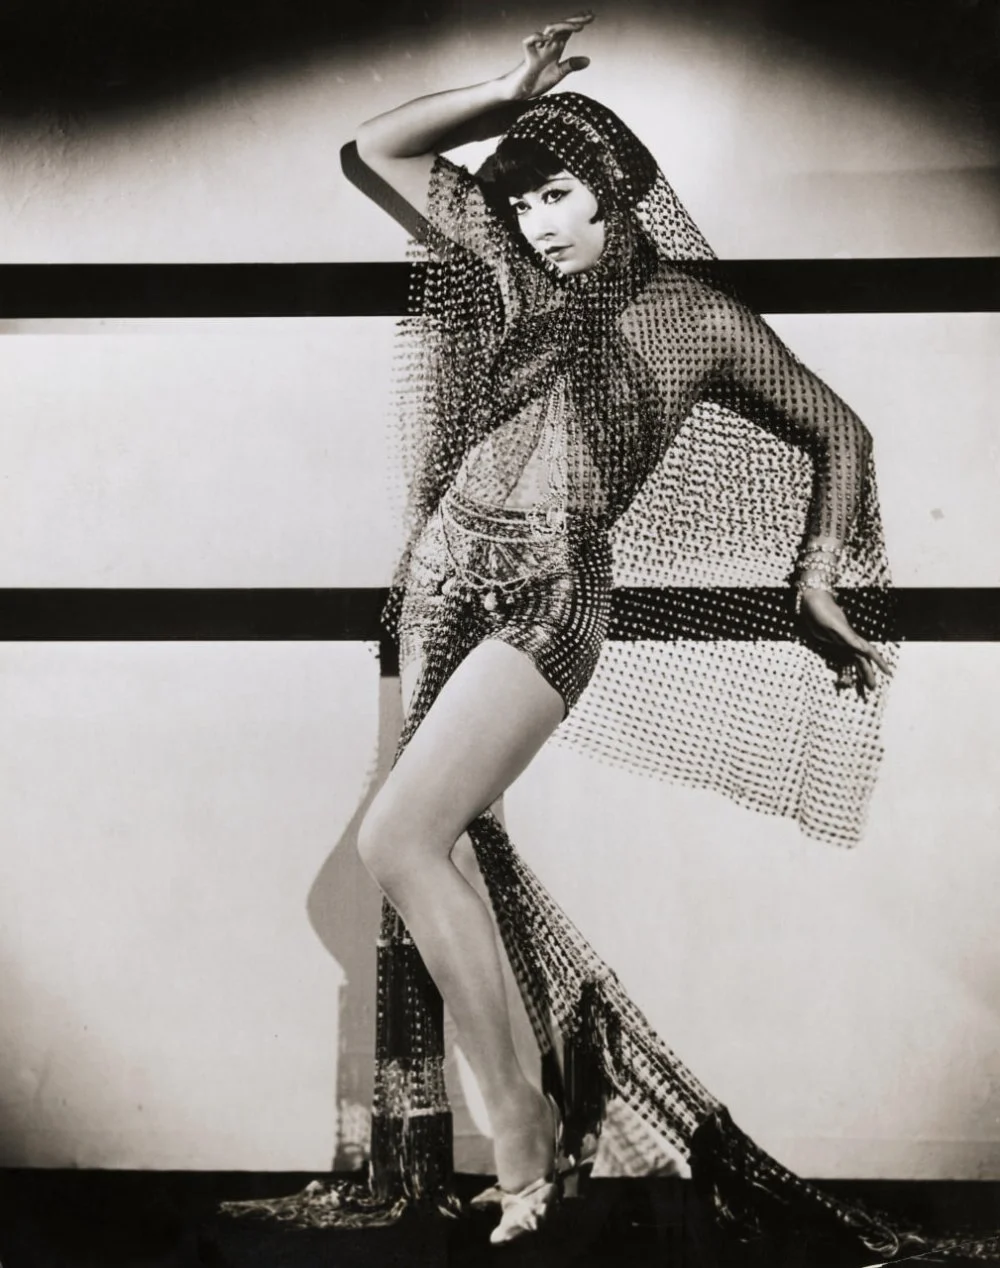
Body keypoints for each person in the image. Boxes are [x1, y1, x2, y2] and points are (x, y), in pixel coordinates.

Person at [222, 14, 994, 1260]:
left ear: (622, 191)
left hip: (550, 602)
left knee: (401, 838)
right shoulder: (516, 272)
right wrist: (505, 92)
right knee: (446, 856)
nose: (538, 223)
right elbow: (375, 147)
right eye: (521, 202)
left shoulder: (697, 318)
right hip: (439, 585)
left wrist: (812, 576)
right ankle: (530, 1100)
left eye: (563, 195)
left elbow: (842, 433)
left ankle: (524, 1138)